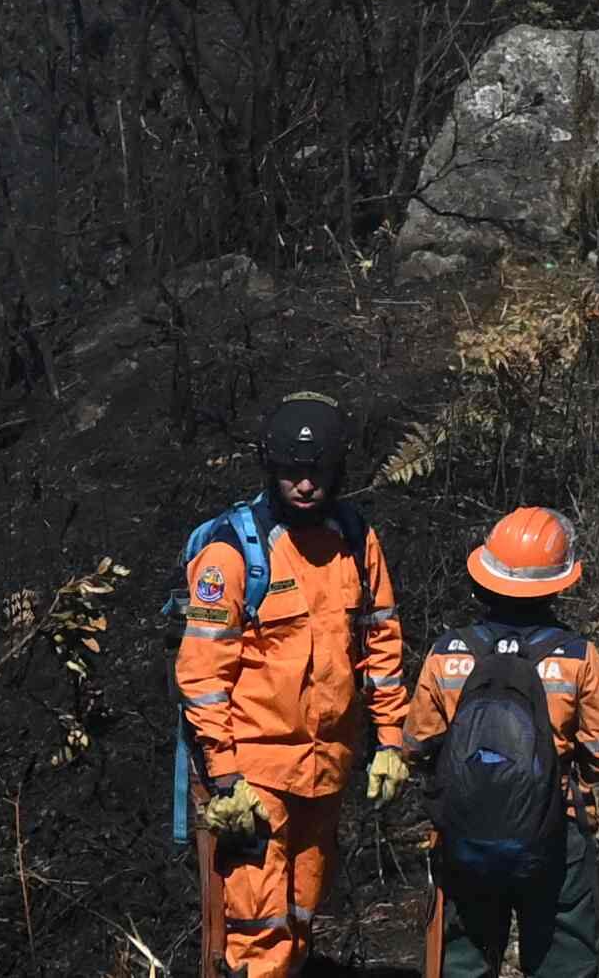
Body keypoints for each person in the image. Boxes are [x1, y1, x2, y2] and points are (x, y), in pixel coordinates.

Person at [176, 391, 412, 978]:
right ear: (271, 467)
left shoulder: (356, 543)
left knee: (303, 911)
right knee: (254, 929)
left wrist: (390, 739)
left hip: (326, 766)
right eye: (292, 474)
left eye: (318, 473)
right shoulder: (233, 554)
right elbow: (202, 673)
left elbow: (380, 646)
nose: (305, 486)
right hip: (253, 775)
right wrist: (225, 777)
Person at [396, 504, 599, 978]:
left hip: (465, 835)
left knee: (462, 959)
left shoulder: (448, 654)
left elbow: (416, 745)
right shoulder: (576, 658)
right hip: (555, 834)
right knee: (566, 960)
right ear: (560, 583)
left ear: (484, 575)